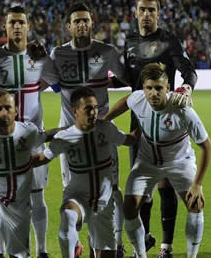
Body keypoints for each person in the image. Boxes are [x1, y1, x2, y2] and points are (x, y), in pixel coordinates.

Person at [40, 1, 128, 257]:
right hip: (70, 137)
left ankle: (113, 244)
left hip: (102, 134)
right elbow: (50, 84)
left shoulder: (107, 51)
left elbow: (123, 77)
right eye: (76, 21)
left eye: (85, 20)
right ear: (68, 27)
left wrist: (105, 85)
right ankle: (85, 245)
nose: (81, 24)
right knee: (77, 192)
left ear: (92, 23)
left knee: (110, 190)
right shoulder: (58, 54)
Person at [104, 63, 211, 258]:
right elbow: (126, 101)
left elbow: (207, 146)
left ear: (168, 88)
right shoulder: (138, 99)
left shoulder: (183, 110)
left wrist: (197, 184)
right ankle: (140, 254)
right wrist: (106, 118)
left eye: (159, 88)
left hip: (180, 162)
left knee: (195, 204)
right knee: (129, 208)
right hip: (148, 162)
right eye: (149, 88)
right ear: (143, 88)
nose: (153, 93)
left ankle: (192, 255)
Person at [123, 0, 198, 256]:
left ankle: (166, 246)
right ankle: (144, 242)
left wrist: (186, 88)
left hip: (165, 120)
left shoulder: (169, 41)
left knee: (165, 182)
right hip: (138, 122)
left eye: (151, 10)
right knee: (141, 190)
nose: (146, 14)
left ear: (158, 13)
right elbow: (129, 80)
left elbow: (189, 71)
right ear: (135, 13)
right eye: (141, 9)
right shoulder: (129, 41)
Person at [31, 87, 138, 258]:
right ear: (75, 111)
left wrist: (146, 122)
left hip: (104, 202)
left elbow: (129, 140)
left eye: (95, 107)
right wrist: (16, 164)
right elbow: (42, 158)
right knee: (68, 216)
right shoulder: (65, 137)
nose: (94, 112)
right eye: (88, 108)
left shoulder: (106, 128)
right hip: (78, 197)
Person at [0, 5, 50, 258]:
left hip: (32, 138)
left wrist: (33, 92)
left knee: (36, 194)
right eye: (13, 23)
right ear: (5, 27)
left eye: (22, 22)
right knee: (3, 197)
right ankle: (0, 250)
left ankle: (42, 249)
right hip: (3, 140)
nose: (17, 27)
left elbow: (55, 80)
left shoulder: (39, 56)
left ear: (29, 26)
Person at [0, 91, 55, 258]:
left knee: (18, 255)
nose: (4, 112)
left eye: (8, 107)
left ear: (16, 110)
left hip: (19, 208)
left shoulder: (28, 132)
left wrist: (72, 129)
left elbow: (45, 137)